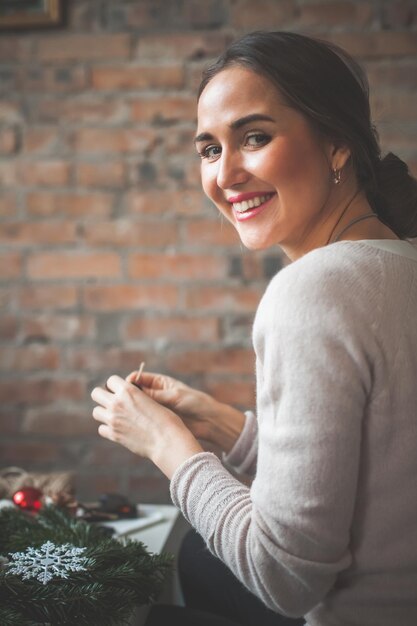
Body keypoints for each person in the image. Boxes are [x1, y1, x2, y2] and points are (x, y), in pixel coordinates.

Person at [91, 31, 417, 626]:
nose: (226, 174)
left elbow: (287, 576)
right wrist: (215, 422)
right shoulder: (401, 261)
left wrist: (168, 446)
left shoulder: (312, 291)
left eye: (255, 138)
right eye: (209, 149)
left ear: (337, 143)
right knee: (197, 559)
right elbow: (373, 470)